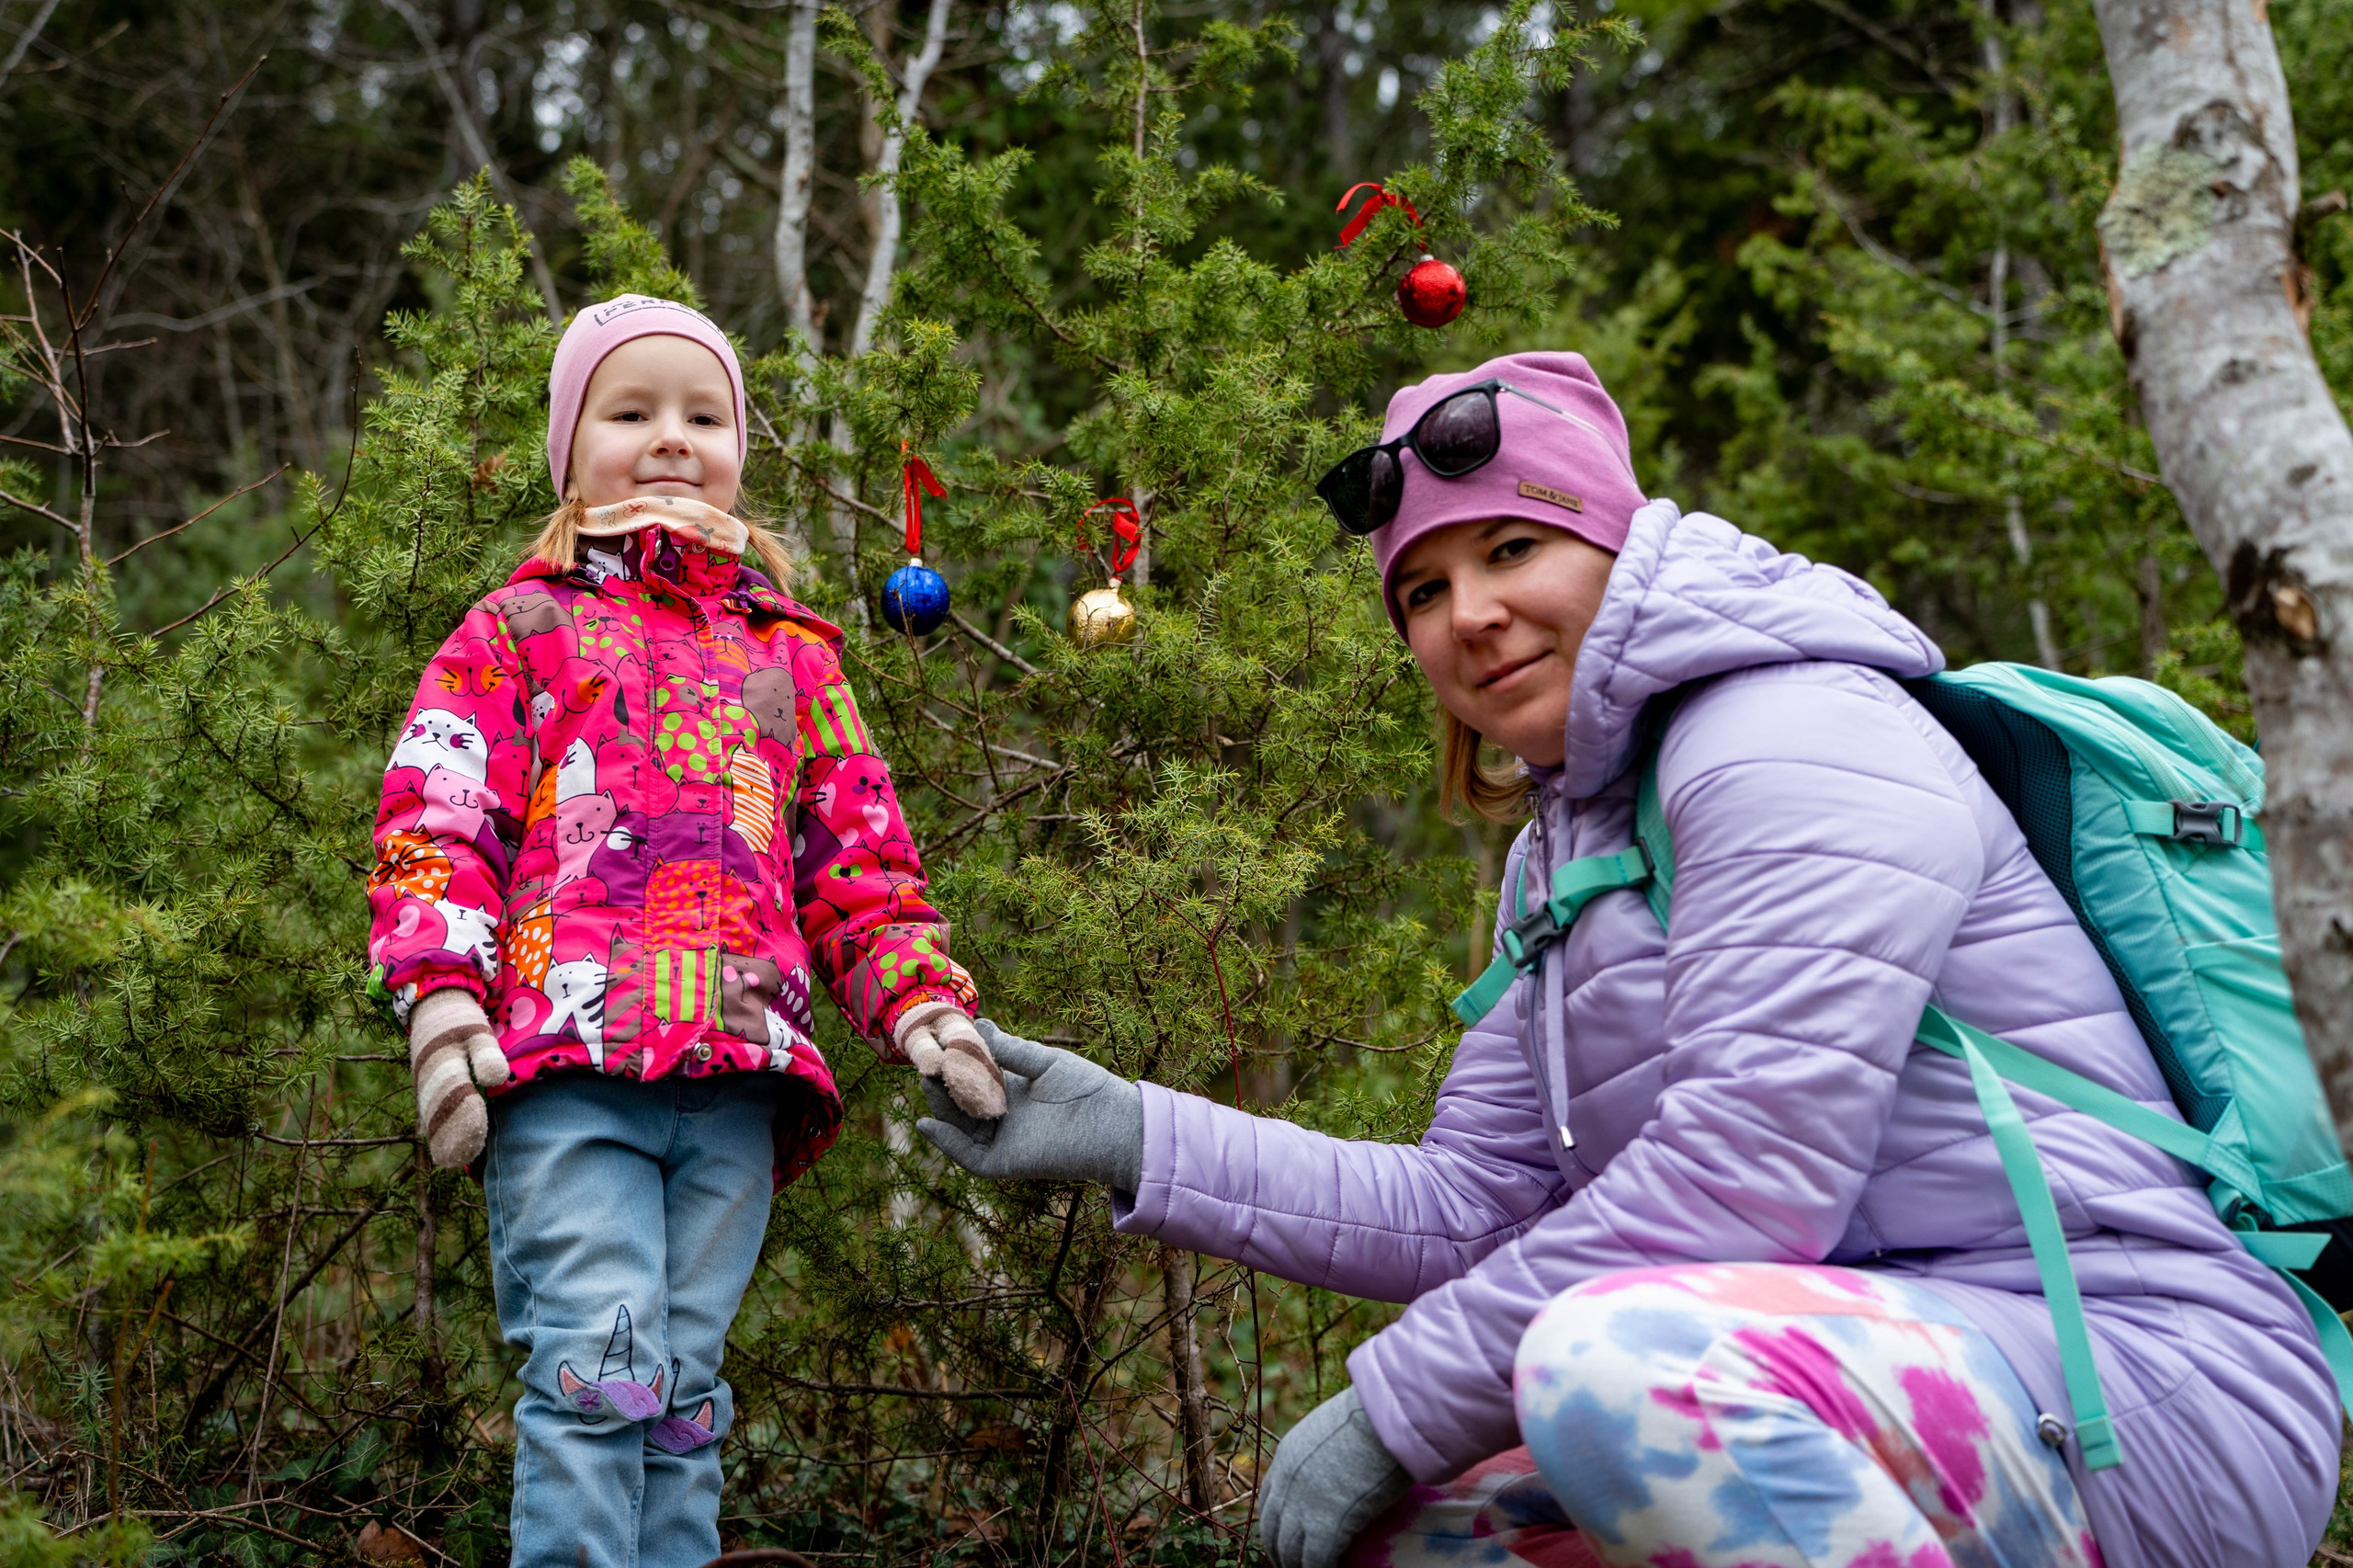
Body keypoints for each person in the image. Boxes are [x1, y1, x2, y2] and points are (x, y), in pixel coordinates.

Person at [915, 351, 2342, 1568]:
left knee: (1616, 1371)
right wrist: (1128, 1132)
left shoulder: (1793, 733)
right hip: (1903, 1372)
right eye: (1421, 589)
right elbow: (1475, 1204)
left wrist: (1391, 1399)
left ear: (1617, 539)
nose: (1467, 614)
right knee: (1429, 1530)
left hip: (2143, 1388)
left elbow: (1744, 1174)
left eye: (1512, 550)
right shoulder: (1569, 845)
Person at [365, 293, 1005, 1568]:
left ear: (739, 446)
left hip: (736, 1086)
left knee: (681, 1396)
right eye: (632, 410)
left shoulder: (792, 656)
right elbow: (438, 816)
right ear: (571, 446)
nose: (671, 438)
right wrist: (443, 1007)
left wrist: (928, 1007)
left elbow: (860, 857)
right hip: (564, 1072)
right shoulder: (522, 631)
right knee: (598, 1365)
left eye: (702, 415)